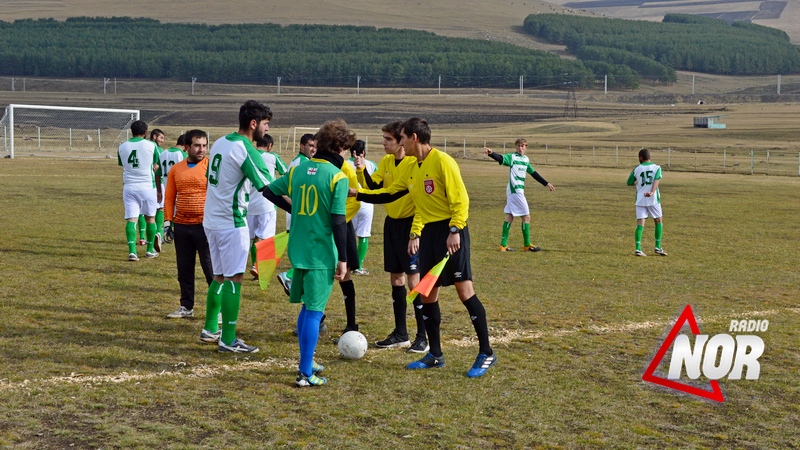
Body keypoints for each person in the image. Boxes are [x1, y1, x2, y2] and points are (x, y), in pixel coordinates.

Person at [355, 118, 496, 378]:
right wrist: (357, 193)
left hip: (451, 232)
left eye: (403, 139)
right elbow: (389, 193)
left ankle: (486, 351)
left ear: (414, 138)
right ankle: (436, 354)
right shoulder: (412, 168)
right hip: (429, 234)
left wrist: (455, 230)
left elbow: (461, 200)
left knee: (465, 292)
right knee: (428, 294)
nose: (401, 144)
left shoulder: (442, 161)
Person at [264, 119, 352, 387]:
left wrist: (296, 210)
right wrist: (344, 259)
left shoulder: (298, 170)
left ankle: (307, 360)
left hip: (299, 248)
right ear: (338, 147)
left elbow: (268, 191)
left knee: (307, 308)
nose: (347, 153)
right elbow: (338, 221)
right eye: (346, 148)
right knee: (315, 311)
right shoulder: (338, 177)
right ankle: (305, 373)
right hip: (321, 253)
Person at [200, 100, 273, 353]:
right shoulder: (246, 150)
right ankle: (228, 339)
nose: (266, 129)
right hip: (232, 223)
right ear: (253, 124)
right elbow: (268, 188)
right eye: (265, 123)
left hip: (211, 220)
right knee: (235, 278)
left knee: (219, 276)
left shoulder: (221, 142)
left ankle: (210, 328)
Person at [353, 121, 427, 353]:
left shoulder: (413, 165)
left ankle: (422, 336)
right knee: (396, 279)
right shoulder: (386, 162)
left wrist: (415, 233)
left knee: (414, 282)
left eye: (388, 140)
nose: (383, 143)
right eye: (383, 139)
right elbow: (375, 188)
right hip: (391, 225)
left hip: (410, 227)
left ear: (401, 142)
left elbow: (420, 204)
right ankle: (400, 334)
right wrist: (361, 169)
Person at [163, 129, 213, 319]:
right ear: (186, 147)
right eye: (197, 145)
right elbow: (169, 197)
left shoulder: (211, 167)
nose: (201, 149)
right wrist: (168, 221)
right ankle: (186, 306)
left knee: (211, 270)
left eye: (204, 145)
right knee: (184, 269)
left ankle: (218, 309)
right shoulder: (176, 169)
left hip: (205, 226)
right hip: (182, 226)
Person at [484, 139, 555, 252]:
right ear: (516, 147)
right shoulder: (512, 157)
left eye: (522, 146)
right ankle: (526, 245)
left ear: (526, 147)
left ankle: (503, 246)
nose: (520, 148)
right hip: (515, 190)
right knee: (526, 216)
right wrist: (492, 154)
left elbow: (533, 173)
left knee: (510, 216)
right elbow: (501, 158)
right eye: (518, 146)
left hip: (516, 190)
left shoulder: (525, 160)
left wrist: (546, 183)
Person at [276, 133, 317, 295]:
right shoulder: (303, 163)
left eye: (315, 146)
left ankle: (295, 280)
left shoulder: (298, 161)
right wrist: (295, 205)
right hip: (300, 212)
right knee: (309, 249)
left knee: (305, 248)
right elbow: (283, 187)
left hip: (297, 211)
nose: (313, 149)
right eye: (310, 145)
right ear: (302, 146)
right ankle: (289, 276)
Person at [118, 120, 160, 261]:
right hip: (147, 186)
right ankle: (149, 250)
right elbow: (156, 164)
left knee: (132, 219)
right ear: (146, 132)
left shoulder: (122, 147)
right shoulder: (151, 145)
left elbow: (122, 164)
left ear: (131, 131)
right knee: (150, 218)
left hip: (129, 186)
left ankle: (132, 252)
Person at [246, 134, 285, 280]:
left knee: (254, 238)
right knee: (265, 239)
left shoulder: (249, 155)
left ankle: (254, 265)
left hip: (250, 204)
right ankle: (258, 267)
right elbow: (285, 172)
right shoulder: (272, 157)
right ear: (269, 146)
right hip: (267, 204)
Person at [627, 148, 667, 257]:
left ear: (640, 158)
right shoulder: (657, 168)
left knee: (640, 224)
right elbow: (657, 179)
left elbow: (629, 182)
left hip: (640, 199)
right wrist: (652, 191)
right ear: (649, 157)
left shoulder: (637, 168)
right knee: (658, 221)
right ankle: (658, 247)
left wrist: (639, 184)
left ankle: (638, 248)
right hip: (653, 199)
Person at [347, 140, 377, 275]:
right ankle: (358, 266)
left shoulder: (345, 164)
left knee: (349, 234)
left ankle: (347, 263)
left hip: (350, 202)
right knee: (364, 234)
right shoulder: (371, 164)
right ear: (363, 152)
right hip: (366, 203)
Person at [160, 134, 188, 243]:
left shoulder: (163, 153)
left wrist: (158, 189)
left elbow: (158, 174)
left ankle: (164, 233)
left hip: (166, 188)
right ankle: (173, 235)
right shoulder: (183, 155)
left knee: (168, 214)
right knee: (179, 216)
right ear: (186, 145)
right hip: (180, 190)